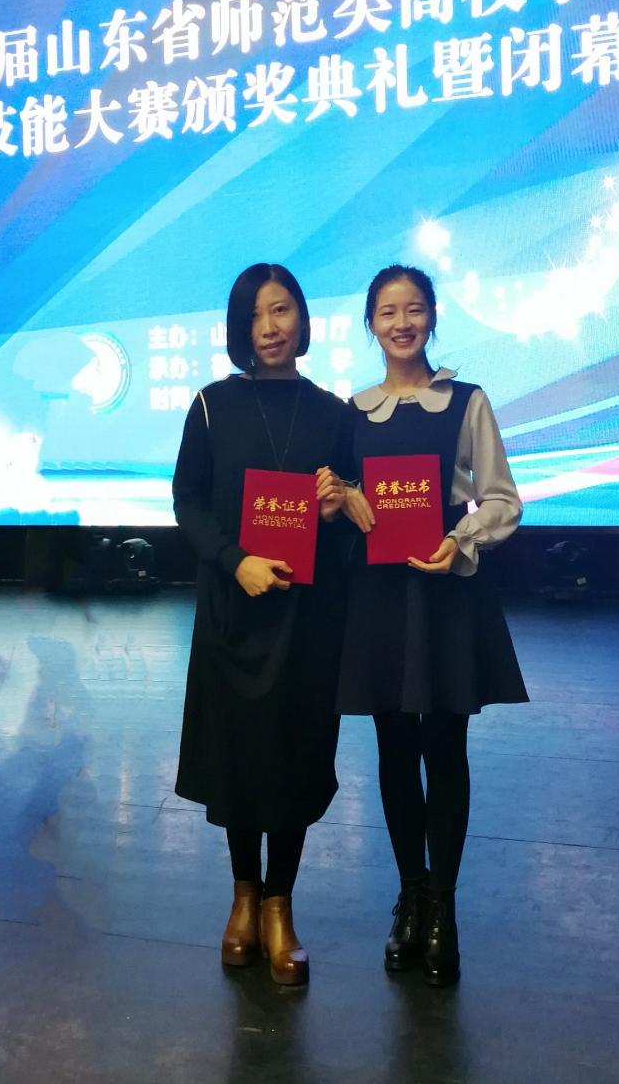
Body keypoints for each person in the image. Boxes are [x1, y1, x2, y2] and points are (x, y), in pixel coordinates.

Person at [339, 264, 528, 987]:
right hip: (381, 597)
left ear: (433, 317)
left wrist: (462, 537)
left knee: (446, 747)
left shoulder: (467, 401)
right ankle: (410, 895)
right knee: (393, 749)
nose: (402, 322)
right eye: (388, 311)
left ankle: (444, 905)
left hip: (446, 592)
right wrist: (342, 495)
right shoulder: (352, 413)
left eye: (414, 308)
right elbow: (338, 495)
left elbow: (502, 498)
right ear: (371, 323)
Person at [173, 262, 351, 986]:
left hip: (307, 618)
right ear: (238, 327)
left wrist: (335, 508)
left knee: (296, 755)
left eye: (281, 310)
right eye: (254, 314)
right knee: (239, 755)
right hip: (234, 608)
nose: (269, 327)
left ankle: (280, 903)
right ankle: (243, 896)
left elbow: (349, 515)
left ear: (302, 319)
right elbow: (187, 501)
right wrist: (235, 559)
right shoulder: (211, 406)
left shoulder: (333, 413)